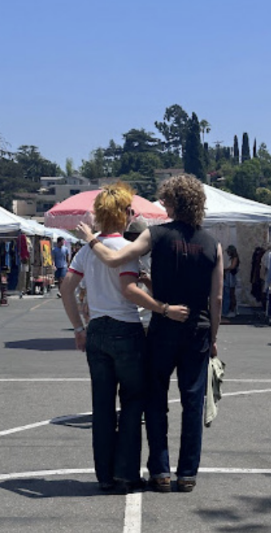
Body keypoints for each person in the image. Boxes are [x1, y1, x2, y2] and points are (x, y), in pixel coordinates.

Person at [77, 174, 223, 494]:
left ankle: (160, 470)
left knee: (156, 400)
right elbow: (217, 298)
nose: (162, 205)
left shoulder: (154, 235)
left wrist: (90, 238)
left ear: (174, 203)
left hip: (163, 328)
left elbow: (114, 258)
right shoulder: (213, 244)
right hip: (197, 328)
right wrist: (212, 337)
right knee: (193, 401)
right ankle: (187, 472)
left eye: (166, 200)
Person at [60, 182, 190, 494]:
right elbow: (129, 290)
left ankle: (105, 475)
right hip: (125, 329)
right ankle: (127, 473)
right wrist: (163, 308)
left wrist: (78, 327)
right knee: (133, 402)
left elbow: (66, 288)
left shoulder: (85, 251)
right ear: (124, 214)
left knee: (102, 405)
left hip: (97, 331)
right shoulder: (125, 249)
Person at [224, 245, 240, 318]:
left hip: (231, 276)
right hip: (229, 276)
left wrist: (225, 269)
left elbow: (232, 267)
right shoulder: (232, 258)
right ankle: (231, 309)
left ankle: (232, 310)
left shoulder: (235, 258)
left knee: (231, 293)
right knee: (229, 293)